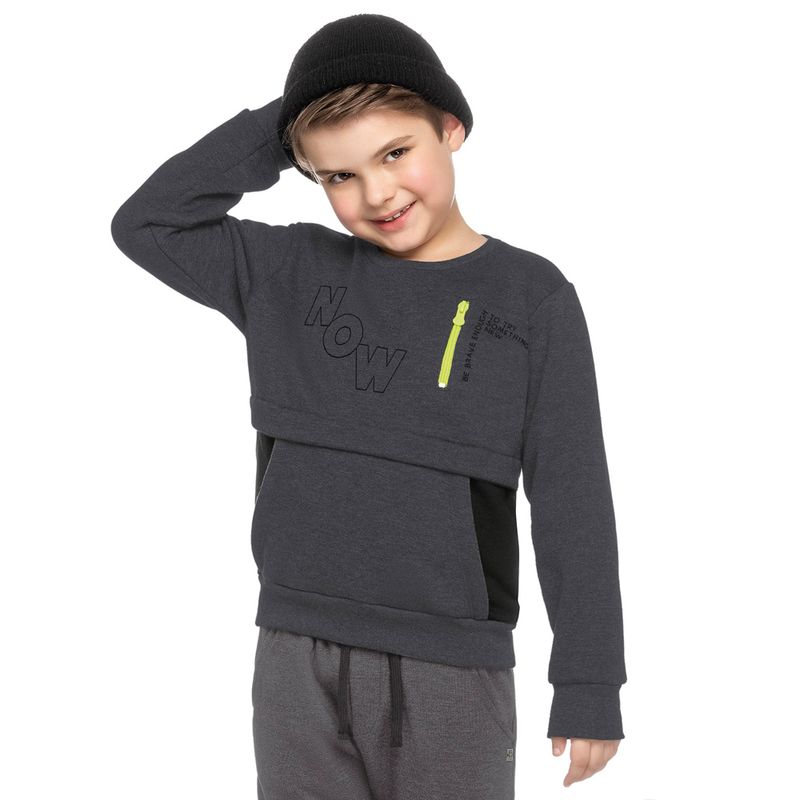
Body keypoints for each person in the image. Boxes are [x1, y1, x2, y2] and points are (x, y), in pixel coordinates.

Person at [110, 12, 627, 799]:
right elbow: (147, 222)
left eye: (394, 153)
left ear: (451, 128)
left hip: (452, 665)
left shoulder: (532, 297)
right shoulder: (284, 272)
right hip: (294, 654)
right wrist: (287, 123)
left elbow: (573, 497)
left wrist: (589, 683)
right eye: (338, 176)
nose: (377, 193)